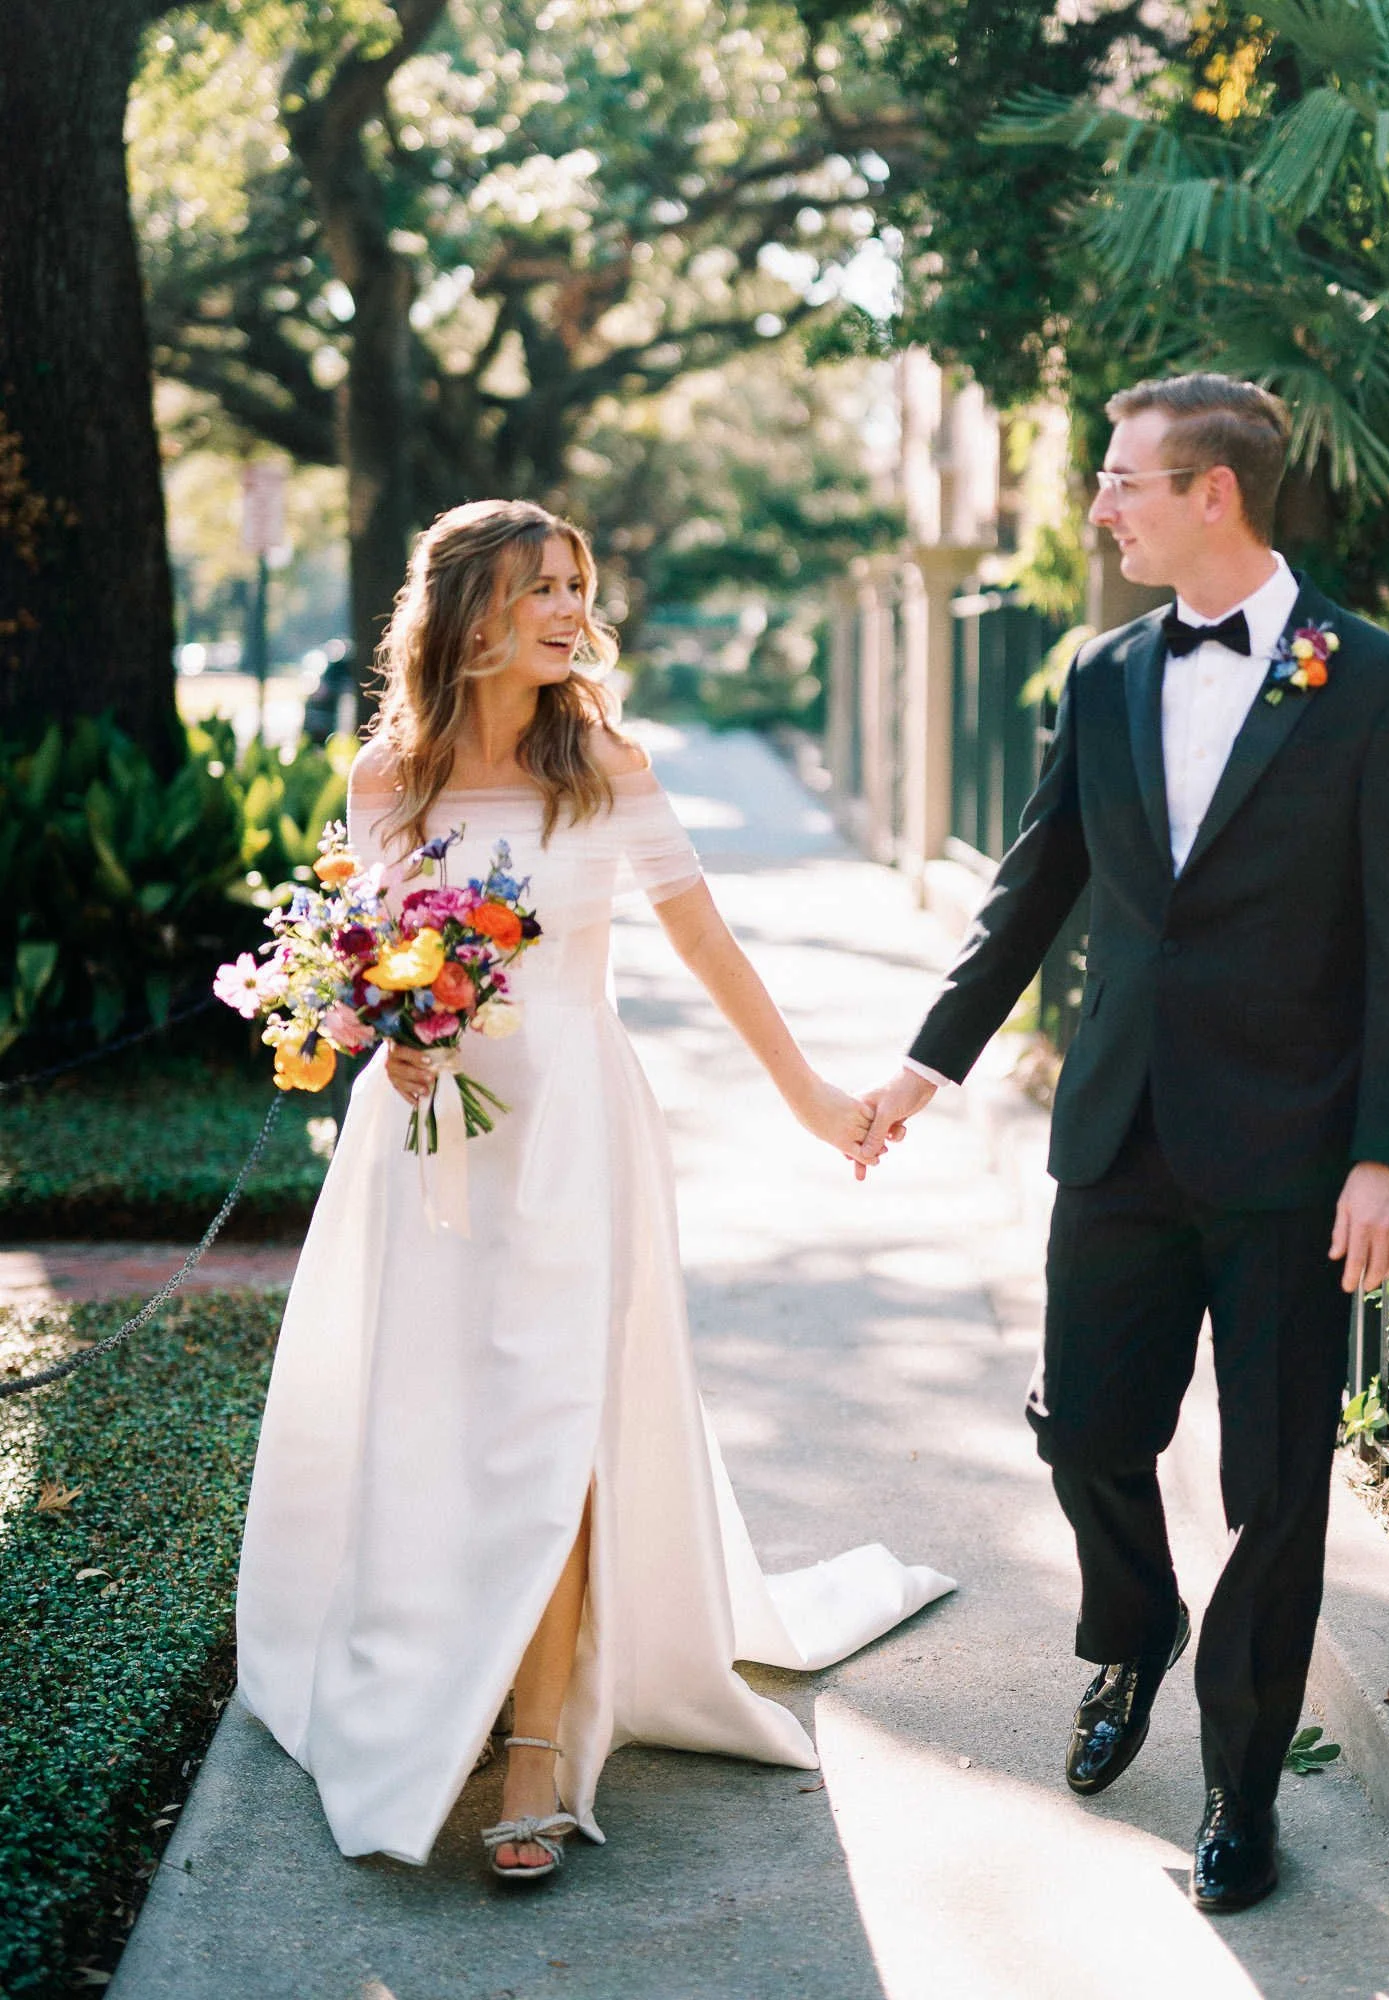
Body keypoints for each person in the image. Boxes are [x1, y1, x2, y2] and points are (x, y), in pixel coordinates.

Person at [235, 499, 954, 1882]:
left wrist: (814, 1100)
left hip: (575, 1131)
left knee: (557, 1413)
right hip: (431, 1147)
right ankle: (428, 1664)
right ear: (467, 613)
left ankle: (536, 1740)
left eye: (577, 586)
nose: (571, 609)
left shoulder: (605, 763)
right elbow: (359, 988)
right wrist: (369, 1036)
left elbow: (708, 945)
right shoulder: (388, 778)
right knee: (435, 1416)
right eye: (539, 588)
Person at [860, 374, 1389, 1912]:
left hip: (1293, 1160)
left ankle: (1241, 1793)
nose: (1100, 508)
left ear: (1216, 495)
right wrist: (926, 1067)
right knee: (1085, 1428)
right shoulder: (1106, 668)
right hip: (1119, 1136)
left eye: (1125, 481)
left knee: (1276, 1489)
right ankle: (1132, 1626)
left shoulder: (1382, 685)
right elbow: (1031, 888)